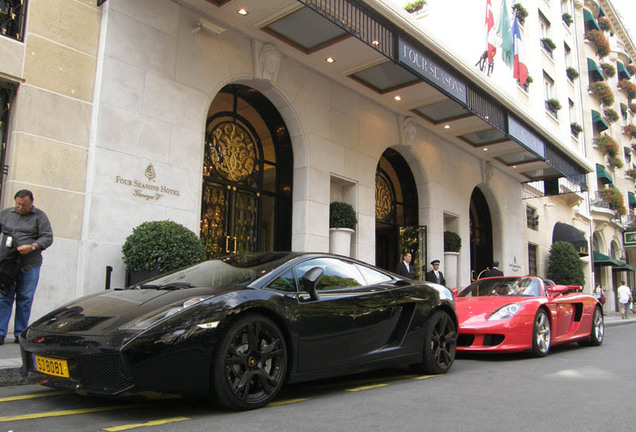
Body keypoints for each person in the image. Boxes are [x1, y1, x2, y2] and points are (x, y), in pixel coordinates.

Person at [0, 190, 53, 345]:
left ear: (31, 203)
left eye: (24, 205)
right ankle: (1, 332)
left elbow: (48, 237)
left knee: (25, 299)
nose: (20, 207)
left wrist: (33, 246)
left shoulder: (40, 217)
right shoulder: (5, 214)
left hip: (29, 265)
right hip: (8, 265)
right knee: (3, 297)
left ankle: (20, 333)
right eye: (18, 204)